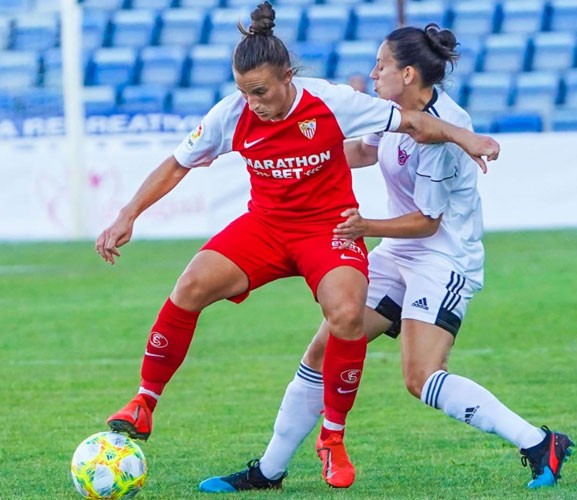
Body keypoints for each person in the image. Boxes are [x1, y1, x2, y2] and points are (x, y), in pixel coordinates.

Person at [96, 3, 499, 490]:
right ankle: (143, 402)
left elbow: (413, 122)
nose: (253, 103)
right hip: (265, 227)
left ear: (288, 77)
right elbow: (177, 164)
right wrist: (127, 214)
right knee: (190, 285)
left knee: (348, 315)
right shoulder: (232, 112)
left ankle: (332, 438)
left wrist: (466, 137)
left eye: (261, 91)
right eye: (244, 91)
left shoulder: (331, 102)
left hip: (328, 231)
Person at [199, 24, 572, 493]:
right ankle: (269, 471)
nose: (373, 72)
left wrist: (364, 226)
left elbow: (427, 222)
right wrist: (298, 141)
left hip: (443, 258)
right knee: (326, 345)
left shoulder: (440, 130)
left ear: (409, 73)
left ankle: (540, 442)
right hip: (398, 252)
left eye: (382, 65)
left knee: (421, 378)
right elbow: (359, 153)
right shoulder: (391, 113)